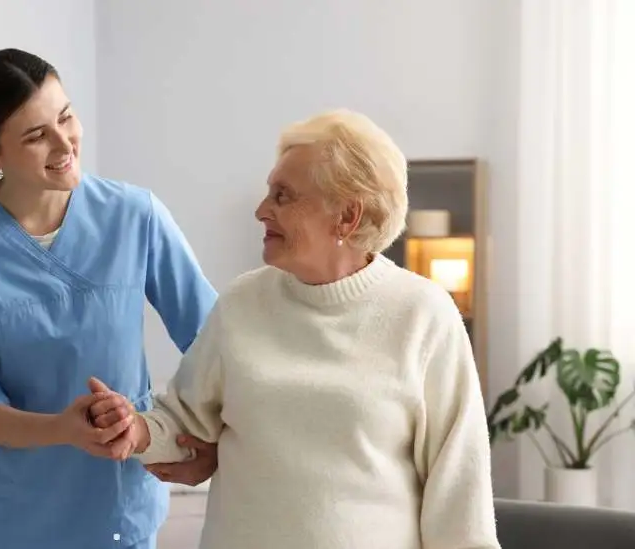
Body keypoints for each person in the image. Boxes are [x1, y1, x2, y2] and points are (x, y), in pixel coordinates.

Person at [89, 110, 502, 548]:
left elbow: (459, 489)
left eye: (283, 196)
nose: (261, 210)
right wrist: (134, 429)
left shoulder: (423, 314)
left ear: (346, 216)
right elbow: (184, 420)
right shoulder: (242, 303)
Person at [0, 48, 219, 549]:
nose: (65, 143)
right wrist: (61, 428)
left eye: (66, 117)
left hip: (117, 507)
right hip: (5, 517)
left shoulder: (134, 215)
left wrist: (199, 439)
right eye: (36, 136)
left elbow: (212, 341)